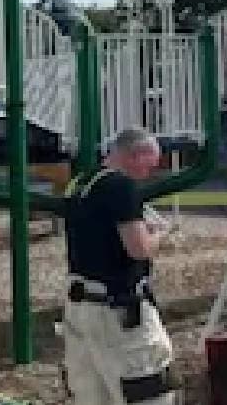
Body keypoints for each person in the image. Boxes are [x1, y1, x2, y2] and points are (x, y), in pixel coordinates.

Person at [60, 128, 178, 405]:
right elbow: (138, 248)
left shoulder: (80, 183)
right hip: (118, 310)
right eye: (150, 164)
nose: (151, 172)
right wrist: (160, 233)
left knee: (92, 394)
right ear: (135, 156)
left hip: (79, 306)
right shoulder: (120, 186)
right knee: (148, 390)